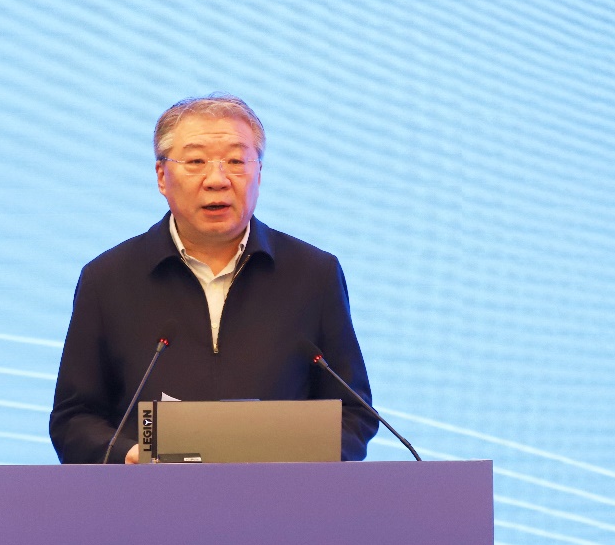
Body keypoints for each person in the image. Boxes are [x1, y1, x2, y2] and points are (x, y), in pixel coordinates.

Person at [50, 94, 378, 463]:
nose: (217, 180)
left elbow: (354, 414)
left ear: (259, 173)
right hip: (151, 495)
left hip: (281, 496)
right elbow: (73, 419)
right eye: (195, 162)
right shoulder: (108, 279)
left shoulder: (313, 274)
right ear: (162, 176)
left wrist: (303, 464)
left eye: (236, 161)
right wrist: (128, 455)